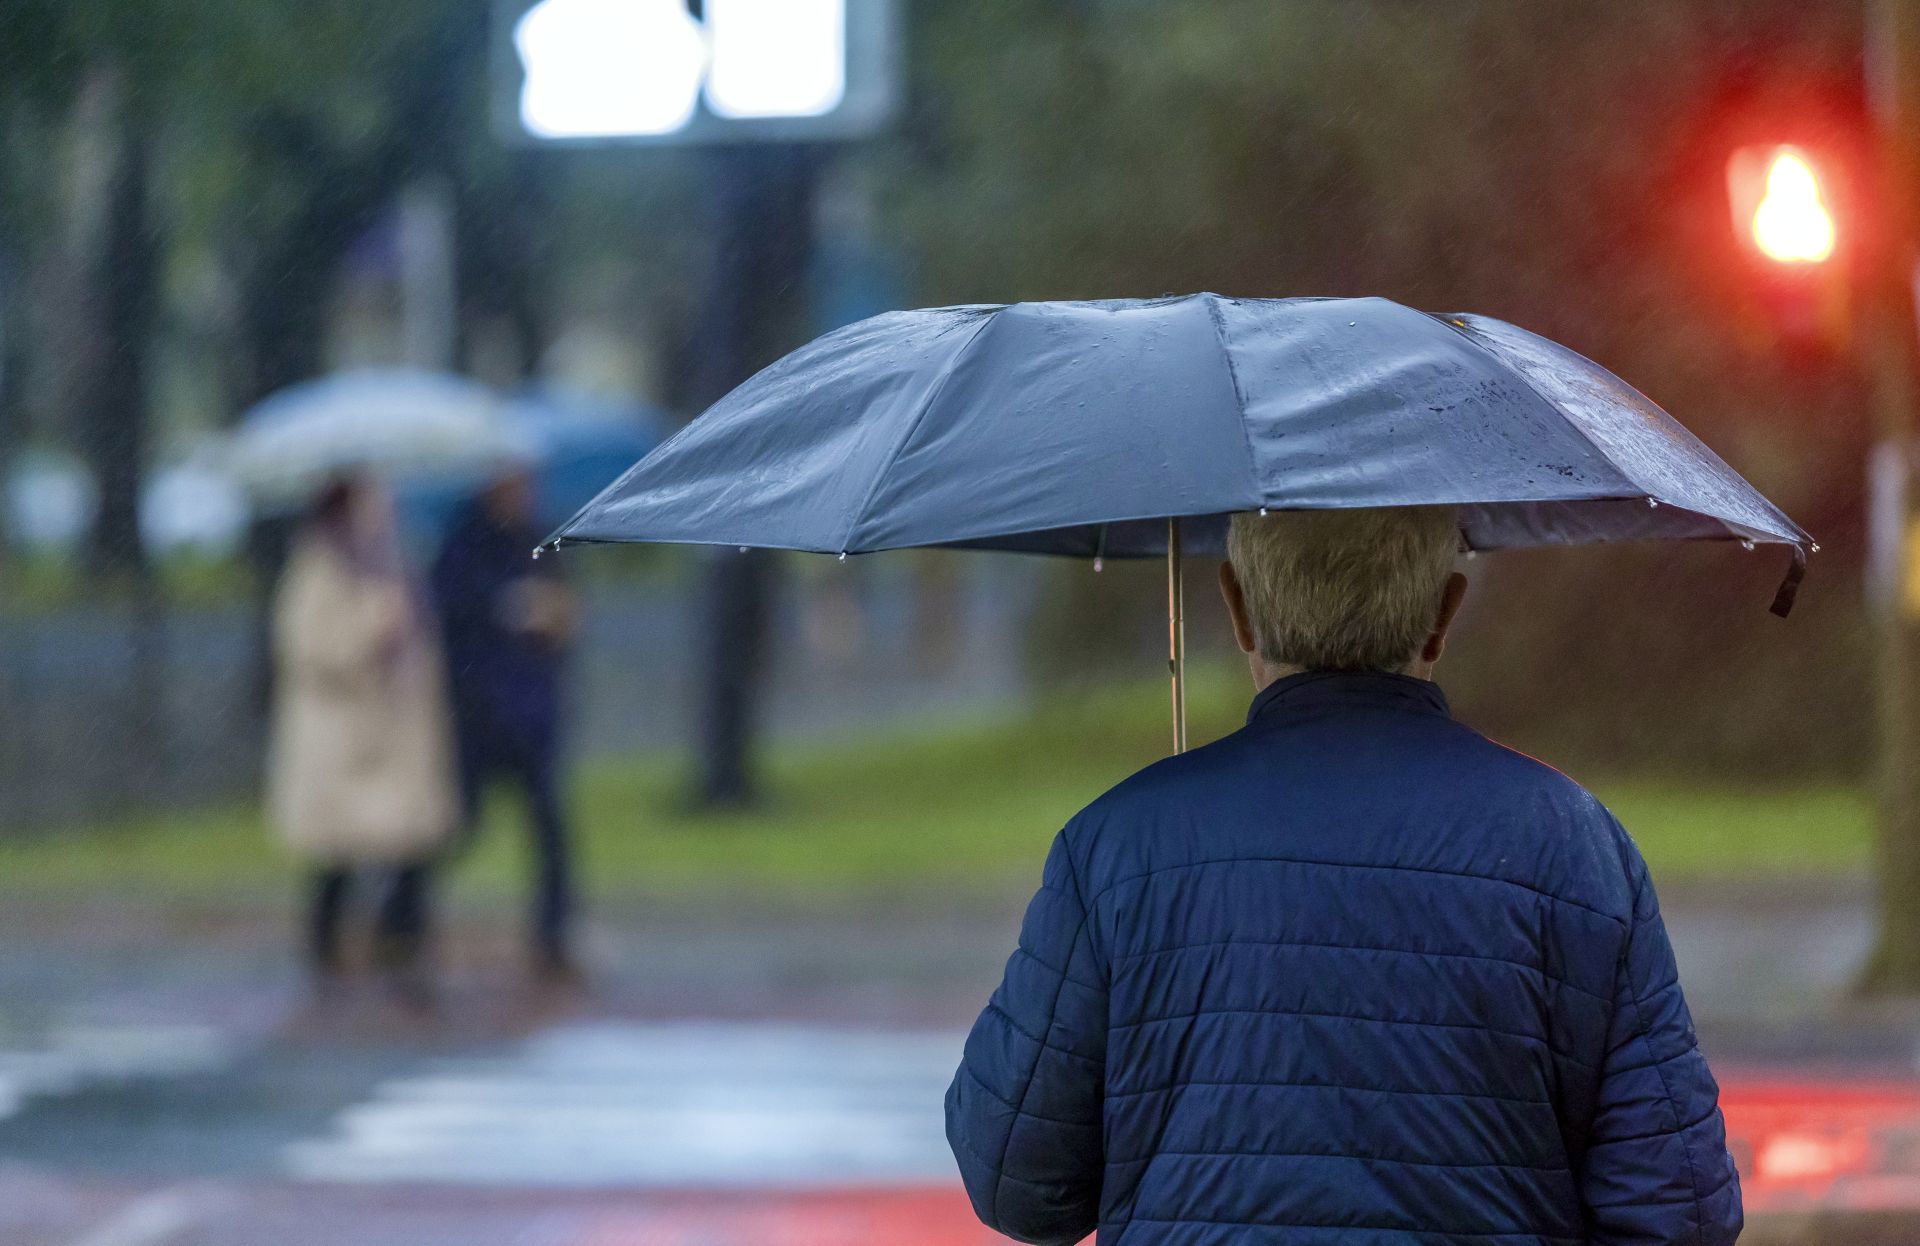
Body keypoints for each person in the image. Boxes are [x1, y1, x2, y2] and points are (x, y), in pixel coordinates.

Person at [947, 506, 1740, 1246]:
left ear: (1237, 605)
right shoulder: (1573, 845)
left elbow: (1017, 1178)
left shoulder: (1114, 847)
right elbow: (1681, 1209)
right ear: (1444, 613)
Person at [268, 477, 458, 982]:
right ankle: (327, 947)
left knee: (408, 844)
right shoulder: (317, 569)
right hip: (343, 733)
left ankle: (400, 941)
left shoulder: (396, 562)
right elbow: (312, 648)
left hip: (394, 729)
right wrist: (373, 627)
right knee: (339, 852)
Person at [430, 468, 581, 980]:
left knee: (551, 832)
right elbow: (449, 615)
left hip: (531, 714)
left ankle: (553, 936)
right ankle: (402, 919)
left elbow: (564, 612)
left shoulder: (539, 540)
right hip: (476, 714)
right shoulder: (462, 544)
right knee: (456, 825)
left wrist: (555, 617)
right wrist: (505, 609)